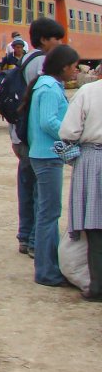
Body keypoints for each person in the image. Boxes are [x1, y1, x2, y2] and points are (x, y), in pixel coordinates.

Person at [21, 43, 80, 286]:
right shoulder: (49, 88)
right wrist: (72, 133)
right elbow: (48, 122)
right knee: (49, 214)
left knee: (47, 212)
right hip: (47, 157)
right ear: (63, 66)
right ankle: (46, 271)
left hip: (44, 155)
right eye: (75, 67)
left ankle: (50, 267)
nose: (76, 71)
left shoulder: (46, 85)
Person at [12, 18, 66, 257]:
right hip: (35, 138)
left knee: (25, 186)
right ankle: (35, 242)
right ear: (45, 39)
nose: (60, 43)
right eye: (57, 39)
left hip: (19, 133)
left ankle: (25, 236)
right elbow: (46, 115)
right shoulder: (44, 64)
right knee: (39, 193)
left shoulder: (25, 58)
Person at [59, 76, 102, 301]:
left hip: (93, 159)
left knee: (94, 226)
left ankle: (97, 287)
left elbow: (68, 132)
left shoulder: (88, 91)